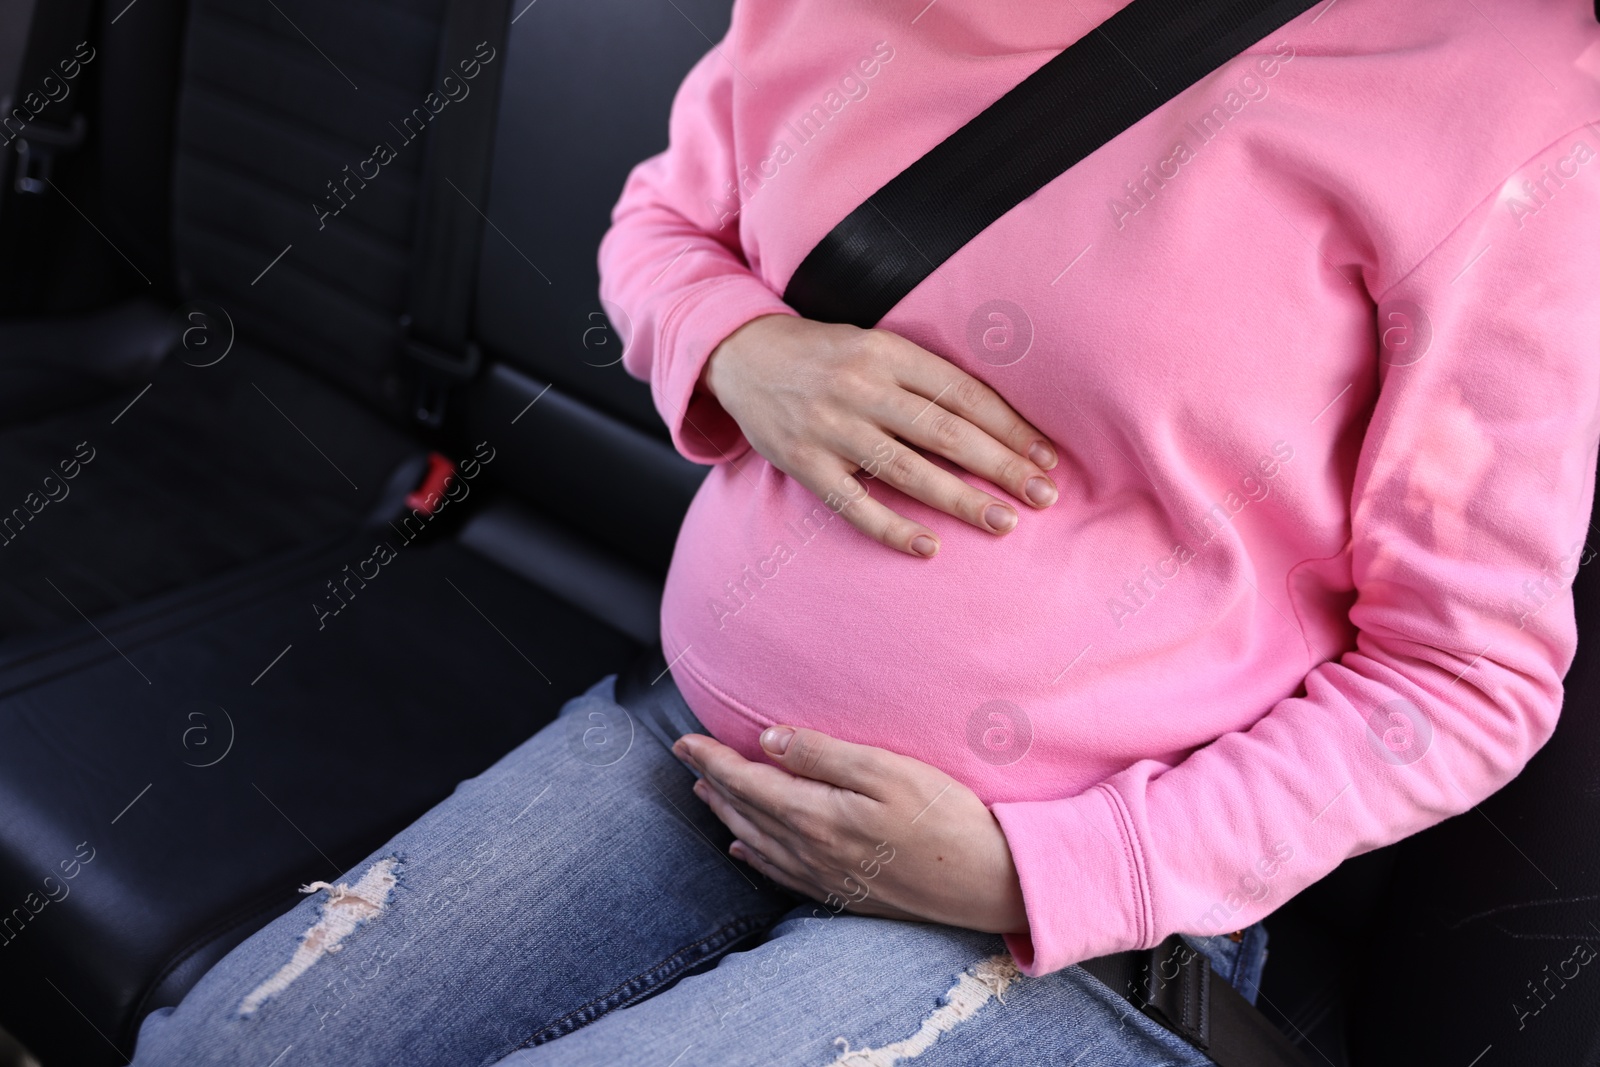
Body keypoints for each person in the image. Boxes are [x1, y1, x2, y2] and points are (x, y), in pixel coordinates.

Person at [131, 1, 1600, 1063]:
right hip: (704, 746)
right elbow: (662, 224)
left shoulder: (1500, 90)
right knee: (219, 1048)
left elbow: (1465, 677)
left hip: (1088, 898)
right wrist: (738, 351)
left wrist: (1049, 875)